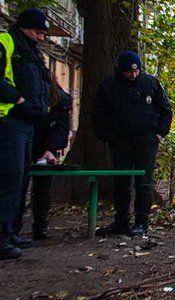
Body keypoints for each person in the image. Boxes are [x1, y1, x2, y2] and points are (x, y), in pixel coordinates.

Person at [94, 51, 173, 237]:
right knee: (121, 182)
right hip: (120, 141)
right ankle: (121, 220)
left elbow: (165, 111)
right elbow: (98, 114)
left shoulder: (150, 83)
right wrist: (108, 137)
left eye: (136, 71)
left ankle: (141, 222)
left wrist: (160, 134)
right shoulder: (109, 86)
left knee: (143, 182)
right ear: (121, 70)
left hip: (146, 140)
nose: (133, 75)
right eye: (129, 72)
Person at [0, 8, 53, 259]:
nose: (41, 37)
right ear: (24, 27)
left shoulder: (33, 52)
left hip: (28, 122)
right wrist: (17, 98)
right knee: (8, 178)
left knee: (20, 181)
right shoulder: (6, 42)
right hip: (8, 119)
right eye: (38, 32)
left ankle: (10, 232)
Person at [13, 76, 72, 241]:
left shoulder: (60, 101)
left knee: (42, 186)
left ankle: (40, 226)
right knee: (19, 185)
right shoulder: (27, 99)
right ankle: (14, 227)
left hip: (44, 144)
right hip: (26, 140)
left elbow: (61, 127)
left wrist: (51, 149)